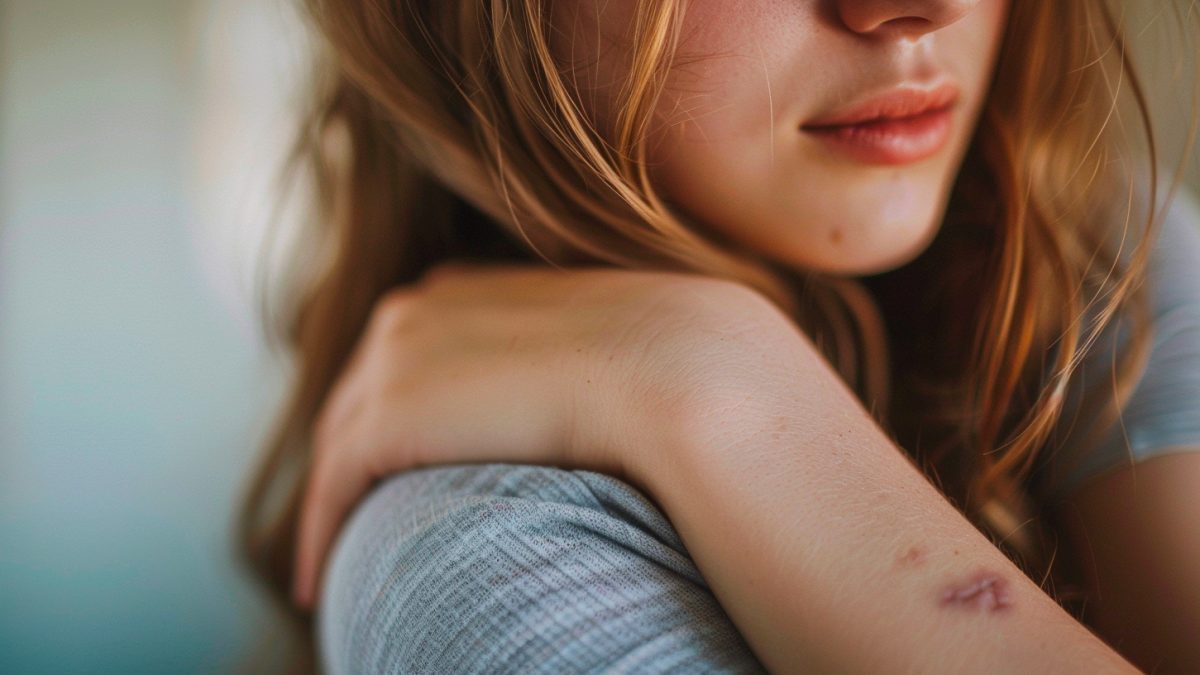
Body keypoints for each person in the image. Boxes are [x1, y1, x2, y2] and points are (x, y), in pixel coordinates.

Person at [235, 0, 1200, 672]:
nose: (925, 7)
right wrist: (709, 383)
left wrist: (705, 373)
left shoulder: (1074, 251)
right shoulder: (477, 560)